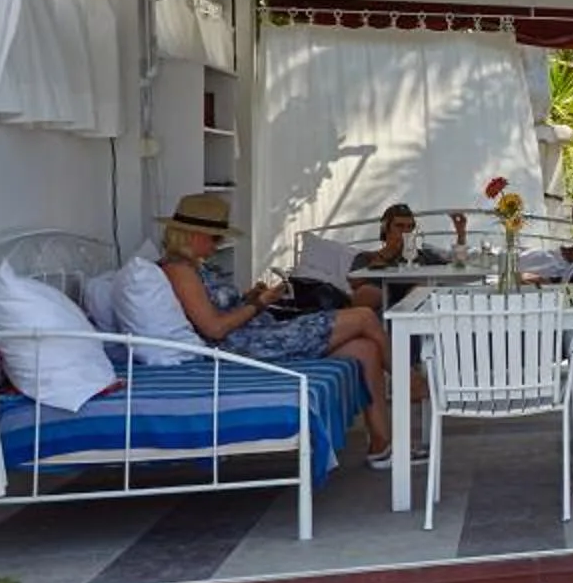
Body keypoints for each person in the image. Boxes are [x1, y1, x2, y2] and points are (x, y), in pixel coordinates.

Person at [157, 192, 402, 468]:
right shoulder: (180, 271)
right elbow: (214, 329)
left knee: (365, 348)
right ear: (192, 235)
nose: (217, 245)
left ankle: (381, 447)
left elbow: (219, 310)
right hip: (247, 344)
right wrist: (259, 303)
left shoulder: (195, 267)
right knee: (364, 316)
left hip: (257, 333)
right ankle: (409, 383)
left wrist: (251, 299)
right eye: (214, 238)